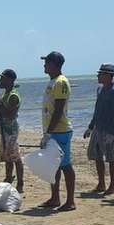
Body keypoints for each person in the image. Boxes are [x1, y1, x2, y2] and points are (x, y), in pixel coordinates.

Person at [39, 51, 76, 211]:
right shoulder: (53, 81)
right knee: (53, 166)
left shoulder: (60, 82)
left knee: (65, 165)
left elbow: (59, 110)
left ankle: (70, 201)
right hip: (52, 130)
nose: (44, 65)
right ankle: (55, 198)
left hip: (60, 130)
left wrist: (49, 132)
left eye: (47, 62)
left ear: (54, 64)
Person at [84, 63, 114, 196]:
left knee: (110, 157)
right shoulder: (99, 89)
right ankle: (101, 183)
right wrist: (90, 127)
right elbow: (97, 109)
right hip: (97, 128)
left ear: (108, 75)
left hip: (109, 129)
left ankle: (112, 185)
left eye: (100, 74)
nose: (98, 76)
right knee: (96, 156)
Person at [0, 69, 24, 193]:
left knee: (15, 156)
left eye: (2, 78)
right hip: (4, 130)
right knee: (7, 156)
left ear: (9, 80)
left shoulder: (13, 96)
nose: (0, 81)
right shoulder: (6, 94)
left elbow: (9, 114)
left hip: (10, 130)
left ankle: (20, 183)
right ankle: (8, 178)